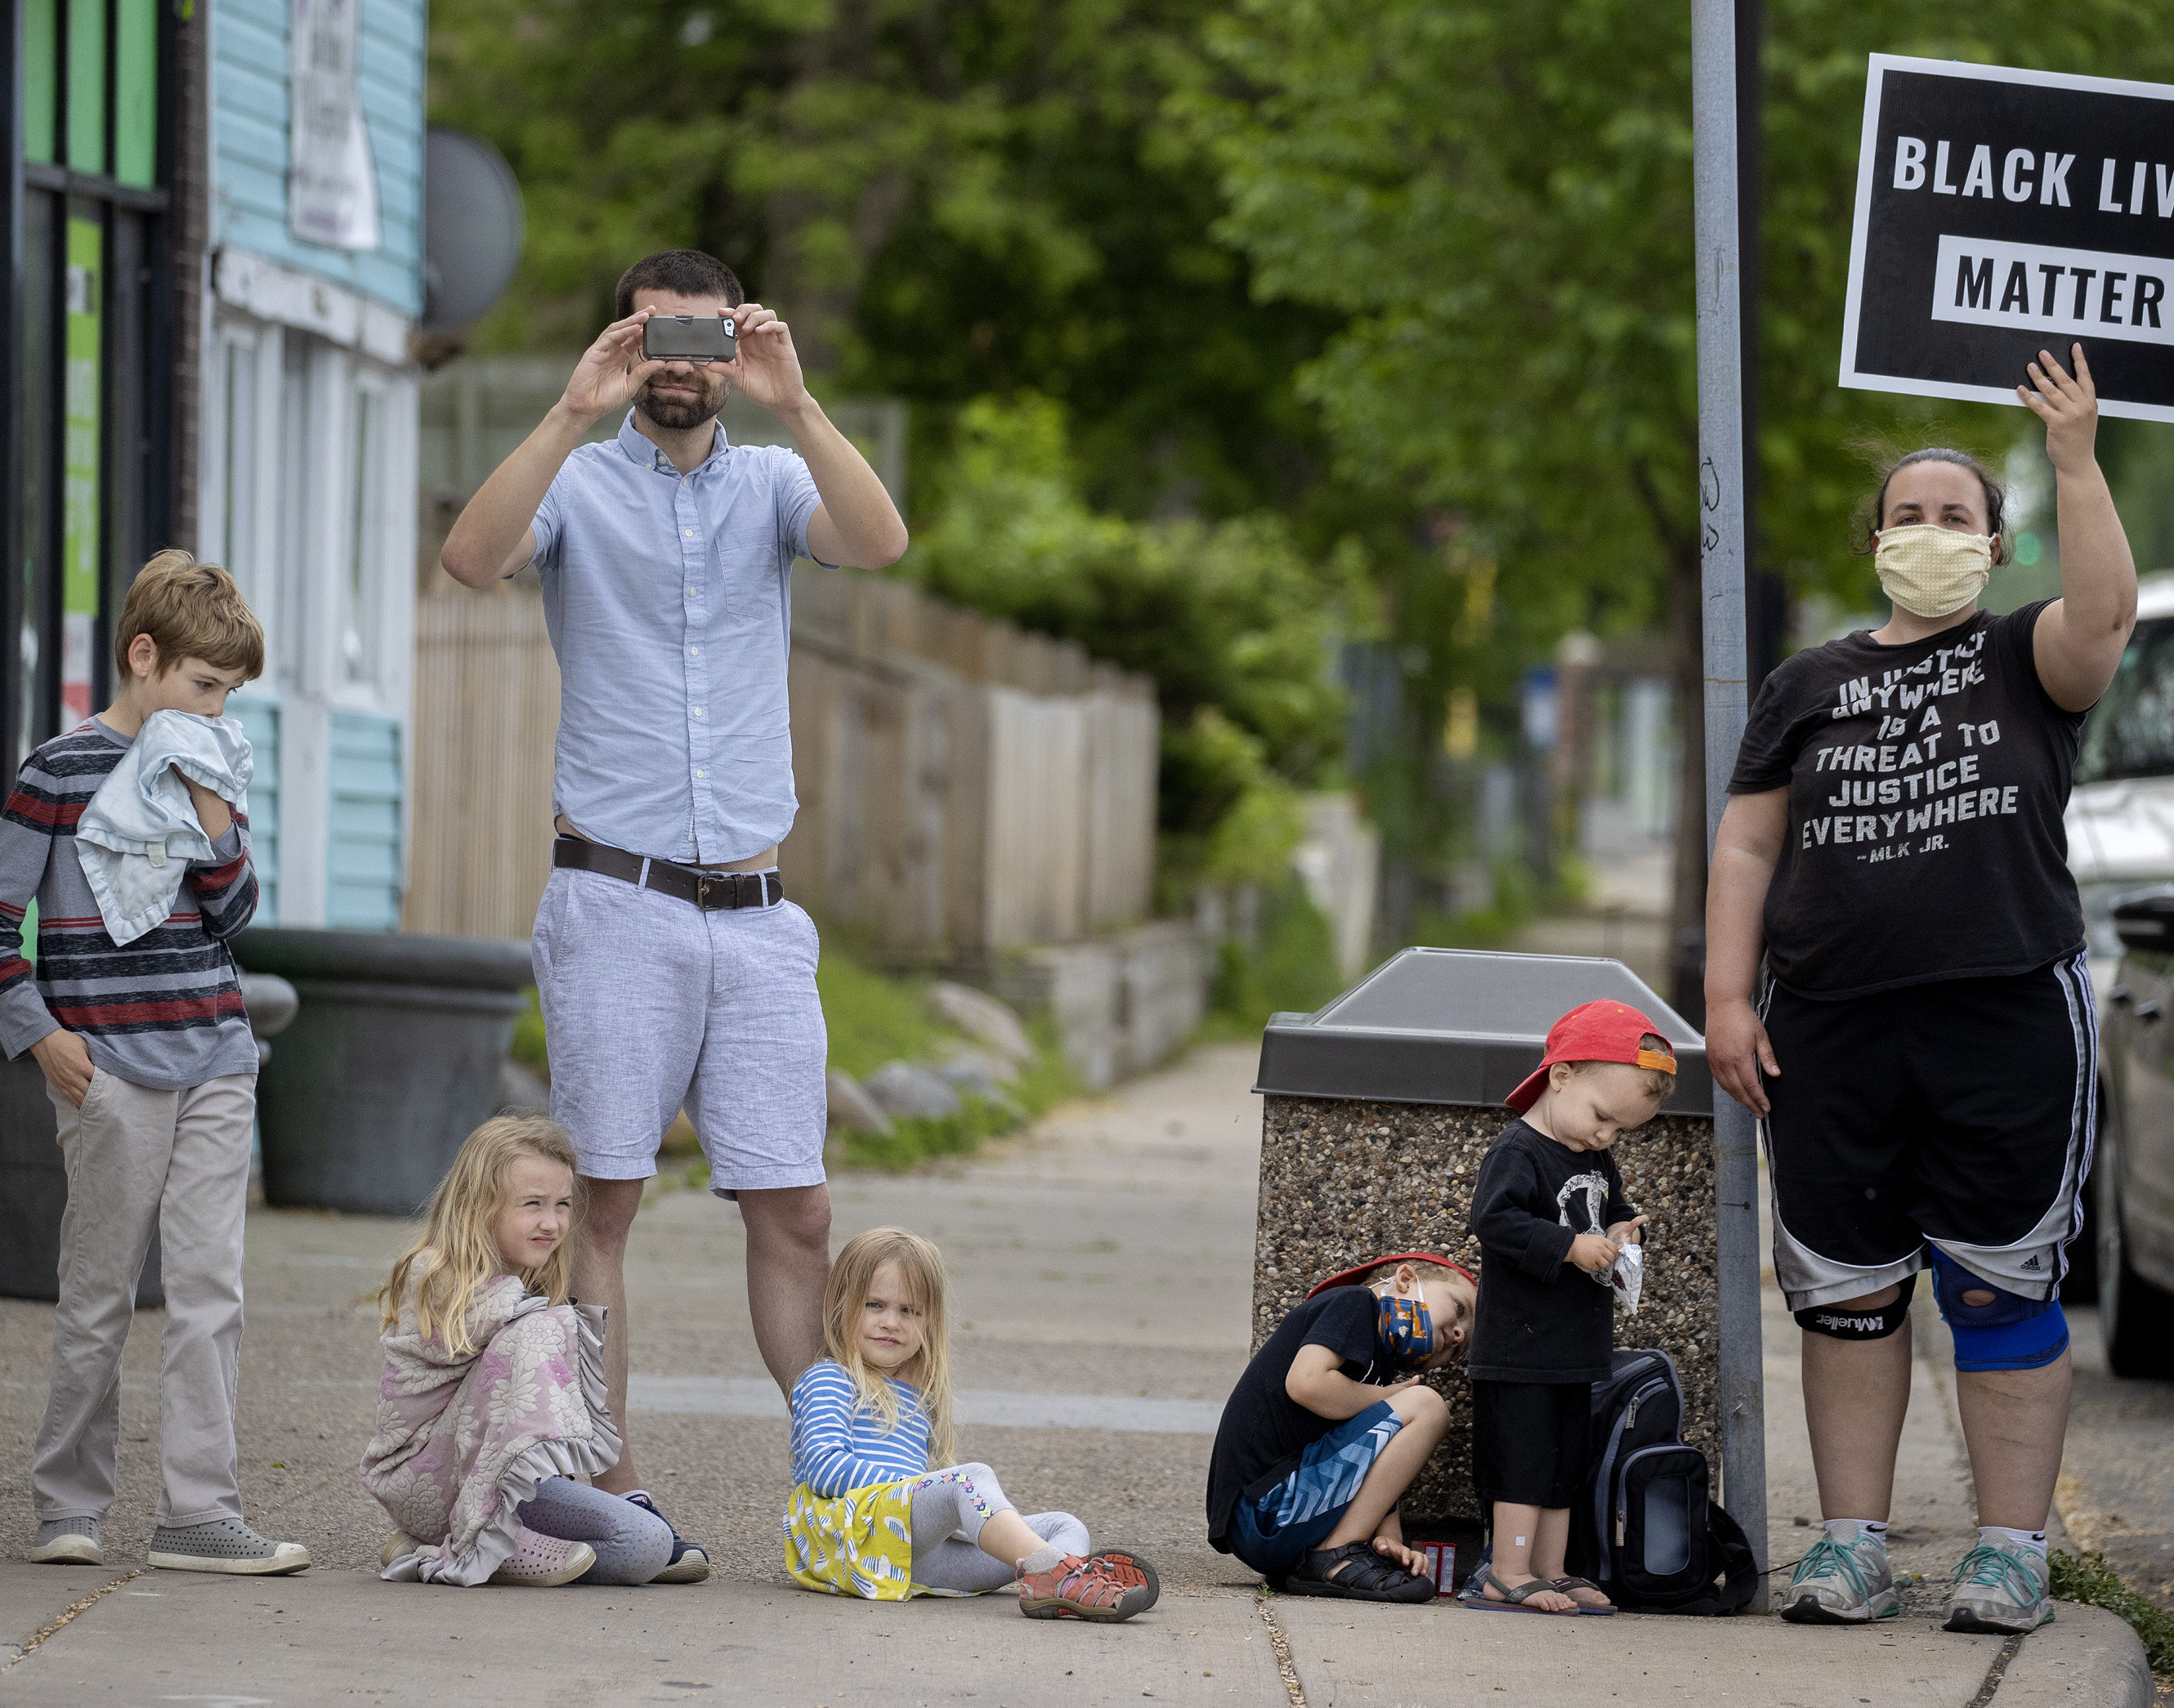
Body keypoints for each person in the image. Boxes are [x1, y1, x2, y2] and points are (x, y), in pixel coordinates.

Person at [437, 248, 912, 1581]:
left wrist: (798, 403)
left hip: (758, 914)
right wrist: (570, 407)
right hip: (617, 898)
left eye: (703, 337)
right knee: (606, 1202)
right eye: (660, 337)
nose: (684, 362)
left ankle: (857, 1482)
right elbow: (471, 558)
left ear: (734, 346)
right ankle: (614, 1482)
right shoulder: (578, 485)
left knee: (800, 1212)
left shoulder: (771, 482)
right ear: (630, 345)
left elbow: (880, 541)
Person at [1705, 346, 2138, 1636]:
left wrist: (2073, 456)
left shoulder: (2028, 656)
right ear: (1876, 544)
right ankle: (1852, 1546)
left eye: (1957, 516)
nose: (1931, 531)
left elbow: (2106, 615)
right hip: (1828, 1026)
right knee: (1847, 1289)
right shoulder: (1808, 686)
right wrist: (1729, 998)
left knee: (2000, 1284)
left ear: (1997, 546)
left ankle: (2011, 1553)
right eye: (1910, 515)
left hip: (2003, 1015)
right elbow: (1746, 845)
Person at [0, 553, 305, 1576]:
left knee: (210, 1289)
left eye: (229, 694)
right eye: (203, 686)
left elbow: (238, 917)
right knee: (100, 1288)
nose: (215, 706)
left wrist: (209, 807)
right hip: (106, 1064)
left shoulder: (215, 767)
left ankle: (199, 1512)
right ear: (143, 657)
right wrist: (42, 1033)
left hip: (214, 1055)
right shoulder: (60, 771)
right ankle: (67, 1503)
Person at [363, 1116, 675, 1589]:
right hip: (426, 1479)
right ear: (476, 1207)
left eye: (563, 1205)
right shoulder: (435, 1274)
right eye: (532, 1205)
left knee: (647, 1545)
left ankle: (471, 1546)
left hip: (507, 1479)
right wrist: (557, 1323)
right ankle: (481, 1540)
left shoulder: (531, 1281)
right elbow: (503, 1347)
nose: (552, 1224)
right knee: (544, 1329)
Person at [784, 1227, 1160, 1618]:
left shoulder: (915, 1397)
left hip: (910, 1558)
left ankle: (1062, 1580)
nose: (891, 1322)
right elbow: (823, 1467)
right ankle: (1066, 1574)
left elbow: (923, 1503)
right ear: (841, 1305)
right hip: (851, 1540)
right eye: (875, 1305)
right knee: (969, 1479)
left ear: (928, 1322)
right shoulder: (829, 1378)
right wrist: (916, 1492)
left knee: (1065, 1525)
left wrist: (953, 1516)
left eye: (909, 1311)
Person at [1460, 1000, 1672, 1615]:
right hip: (1519, 1346)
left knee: (1562, 1467)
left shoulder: (1592, 1155)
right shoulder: (1519, 1151)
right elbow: (1493, 1221)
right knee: (1523, 1463)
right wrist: (1570, 1246)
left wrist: (1624, 1230)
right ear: (1561, 1076)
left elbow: (1608, 1208)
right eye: (1602, 1117)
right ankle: (1506, 1570)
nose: (1606, 1136)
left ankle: (1550, 1570)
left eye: (1621, 1131)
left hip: (1574, 1346)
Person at [1206, 1251, 1474, 1601]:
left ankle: (1341, 1551)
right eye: (1459, 1310)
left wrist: (1388, 1542)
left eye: (1460, 1347)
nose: (1457, 1334)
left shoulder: (1375, 1372)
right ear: (1406, 1279)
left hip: (1279, 1525)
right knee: (1427, 1405)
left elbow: (1370, 1460)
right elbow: (1306, 1384)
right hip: (1263, 1510)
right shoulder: (1354, 1304)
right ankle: (1336, 1555)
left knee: (1415, 1405)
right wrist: (1387, 1395)